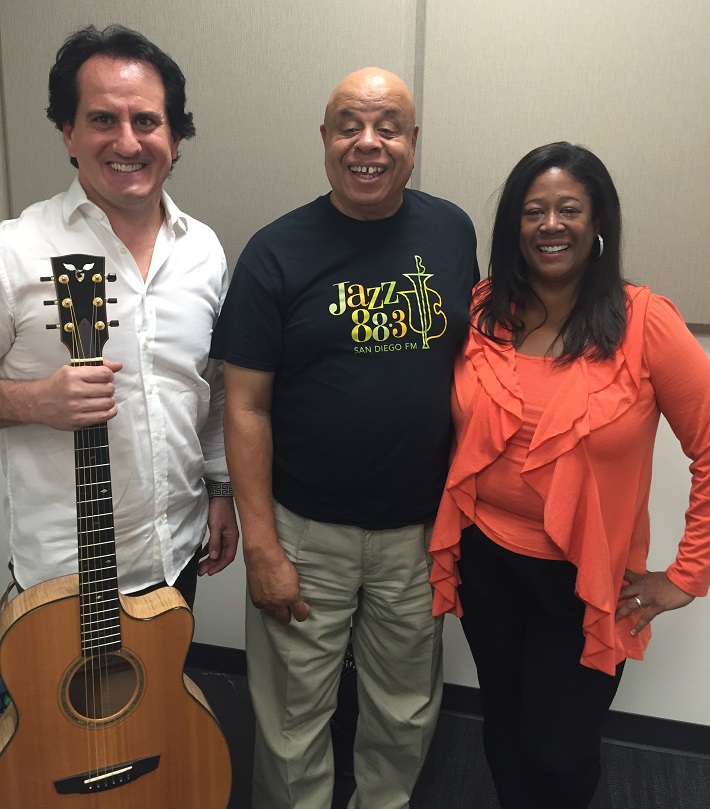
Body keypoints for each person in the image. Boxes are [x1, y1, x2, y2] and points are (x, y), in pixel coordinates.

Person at [211, 68, 479, 808]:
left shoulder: (452, 231)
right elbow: (246, 406)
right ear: (325, 138)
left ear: (413, 142)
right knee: (293, 724)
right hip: (304, 533)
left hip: (417, 534)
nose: (369, 142)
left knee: (404, 712)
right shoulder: (275, 252)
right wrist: (262, 547)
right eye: (349, 125)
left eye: (388, 125)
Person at [429, 141, 710, 809]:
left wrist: (686, 576)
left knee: (560, 747)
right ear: (513, 227)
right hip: (485, 559)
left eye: (568, 209)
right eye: (533, 211)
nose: (550, 224)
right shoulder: (483, 310)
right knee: (502, 721)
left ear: (597, 222)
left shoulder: (647, 322)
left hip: (583, 579)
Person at [0, 24, 238, 609]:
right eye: (104, 119)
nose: (128, 142)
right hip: (59, 572)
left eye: (148, 122)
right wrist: (33, 402)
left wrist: (221, 491)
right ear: (69, 134)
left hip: (174, 551)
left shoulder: (203, 250)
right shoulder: (14, 251)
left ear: (176, 138)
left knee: (160, 702)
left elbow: (211, 387)